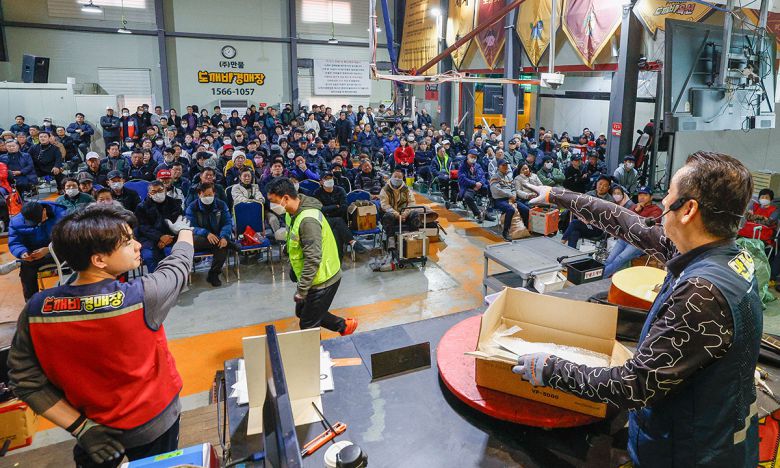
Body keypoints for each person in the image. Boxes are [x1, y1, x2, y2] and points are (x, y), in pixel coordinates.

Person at [514, 152, 760, 466]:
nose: (664, 199)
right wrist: (556, 195)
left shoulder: (701, 293)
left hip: (689, 453)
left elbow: (632, 386)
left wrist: (550, 369)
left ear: (687, 210)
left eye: (669, 193)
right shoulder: (723, 256)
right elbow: (626, 223)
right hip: (713, 431)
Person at [8, 205, 193, 467]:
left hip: (94, 433)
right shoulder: (142, 296)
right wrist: (185, 232)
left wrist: (82, 429)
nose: (138, 246)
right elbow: (179, 265)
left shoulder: (37, 309)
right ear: (99, 260)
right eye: (128, 242)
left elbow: (25, 381)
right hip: (154, 425)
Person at [265, 178, 358, 336]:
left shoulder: (308, 220)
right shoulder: (294, 212)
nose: (272, 206)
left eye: (273, 202)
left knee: (308, 324)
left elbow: (313, 258)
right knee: (302, 311)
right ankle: (343, 326)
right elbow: (295, 240)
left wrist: (302, 290)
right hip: (312, 276)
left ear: (286, 198)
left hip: (322, 279)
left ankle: (317, 357)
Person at [8, 201, 67, 300]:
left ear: (44, 211)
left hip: (60, 250)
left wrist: (48, 249)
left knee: (78, 257)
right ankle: (31, 302)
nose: (37, 224)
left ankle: (75, 293)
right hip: (36, 255)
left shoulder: (61, 215)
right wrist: (22, 252)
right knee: (26, 267)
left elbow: (69, 239)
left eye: (38, 220)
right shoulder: (16, 222)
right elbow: (15, 242)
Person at [604, 186, 663, 277]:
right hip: (625, 238)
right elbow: (624, 219)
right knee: (609, 259)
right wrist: (635, 210)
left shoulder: (656, 210)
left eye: (645, 195)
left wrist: (636, 215)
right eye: (640, 195)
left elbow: (647, 225)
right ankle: (597, 277)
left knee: (619, 259)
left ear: (651, 197)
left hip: (639, 242)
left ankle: (597, 279)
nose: (642, 197)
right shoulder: (634, 207)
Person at [185, 182, 234, 287]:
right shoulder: (192, 207)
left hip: (216, 237)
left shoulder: (221, 205)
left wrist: (224, 237)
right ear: (199, 194)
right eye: (205, 195)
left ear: (214, 193)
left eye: (210, 195)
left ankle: (213, 274)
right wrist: (206, 233)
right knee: (218, 242)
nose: (208, 197)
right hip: (199, 238)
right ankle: (231, 244)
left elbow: (227, 223)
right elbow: (191, 227)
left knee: (222, 246)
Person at [136, 181, 185, 273]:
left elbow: (179, 222)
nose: (157, 194)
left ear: (165, 190)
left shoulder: (174, 203)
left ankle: (175, 280)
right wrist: (160, 237)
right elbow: (143, 227)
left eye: (160, 190)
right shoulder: (142, 207)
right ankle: (156, 282)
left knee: (174, 253)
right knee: (149, 256)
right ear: (149, 194)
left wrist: (167, 238)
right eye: (153, 192)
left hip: (171, 237)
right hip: (149, 239)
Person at [561, 175, 614, 248]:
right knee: (574, 232)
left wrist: (591, 220)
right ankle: (571, 254)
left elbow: (606, 218)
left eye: (605, 186)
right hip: (584, 225)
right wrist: (581, 218)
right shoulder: (589, 194)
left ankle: (562, 243)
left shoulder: (610, 200)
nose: (601, 187)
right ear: (596, 183)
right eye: (600, 184)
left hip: (597, 228)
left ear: (608, 188)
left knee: (574, 223)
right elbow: (579, 209)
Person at [379, 169, 422, 245]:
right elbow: (385, 205)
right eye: (395, 176)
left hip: (404, 216)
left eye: (399, 177)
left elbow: (411, 203)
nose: (397, 179)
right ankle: (390, 239)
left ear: (402, 179)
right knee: (387, 216)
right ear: (391, 177)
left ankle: (414, 237)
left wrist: (405, 214)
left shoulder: (406, 189)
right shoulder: (385, 189)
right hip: (392, 216)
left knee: (415, 214)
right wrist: (397, 215)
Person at [458, 150, 495, 223]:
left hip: (479, 186)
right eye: (472, 156)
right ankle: (478, 214)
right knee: (467, 197)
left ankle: (485, 213)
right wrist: (474, 183)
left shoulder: (477, 165)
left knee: (491, 190)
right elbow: (463, 179)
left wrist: (480, 183)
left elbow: (482, 176)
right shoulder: (462, 166)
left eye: (475, 157)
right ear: (468, 156)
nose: (473, 158)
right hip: (469, 187)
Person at [490, 160, 520, 241]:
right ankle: (505, 232)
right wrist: (510, 195)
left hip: (510, 198)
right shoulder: (495, 177)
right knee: (510, 209)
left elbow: (513, 187)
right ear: (499, 167)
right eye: (503, 165)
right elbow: (497, 191)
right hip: (499, 200)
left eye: (507, 165)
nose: (506, 167)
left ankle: (523, 229)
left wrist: (514, 195)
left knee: (525, 208)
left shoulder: (508, 176)